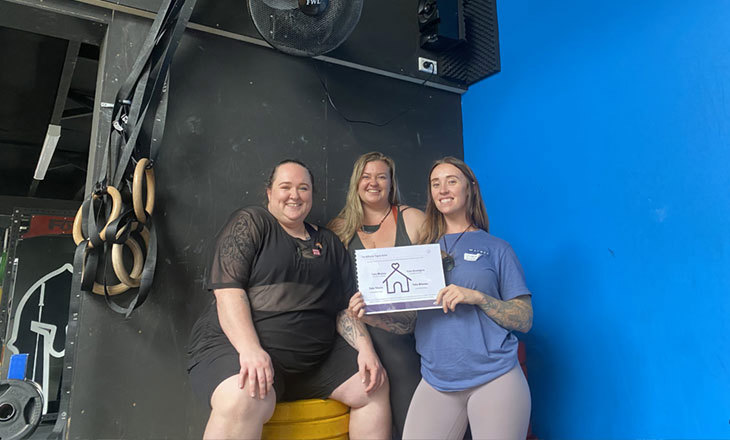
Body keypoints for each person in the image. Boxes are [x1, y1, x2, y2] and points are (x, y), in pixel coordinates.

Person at [187, 159, 391, 439]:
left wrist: (366, 350)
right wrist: (250, 350)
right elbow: (228, 292)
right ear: (269, 192)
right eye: (286, 187)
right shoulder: (251, 223)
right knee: (243, 394)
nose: (294, 195)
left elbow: (344, 309)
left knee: (373, 384)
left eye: (303, 188)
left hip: (316, 362)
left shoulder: (330, 242)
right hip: (241, 348)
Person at [348, 156, 533, 440]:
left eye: (451, 181)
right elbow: (410, 325)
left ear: (470, 188)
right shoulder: (421, 252)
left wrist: (478, 297)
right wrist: (372, 316)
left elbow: (524, 318)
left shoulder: (497, 249)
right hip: (437, 380)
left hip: (495, 377)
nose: (443, 189)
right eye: (436, 184)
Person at [328, 152, 426, 439]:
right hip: (358, 331)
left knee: (400, 355)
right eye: (366, 176)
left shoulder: (413, 219)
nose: (373, 183)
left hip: (409, 328)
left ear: (391, 183)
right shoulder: (339, 229)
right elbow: (335, 297)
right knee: (386, 356)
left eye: (381, 176)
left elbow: (434, 274)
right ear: (355, 183)